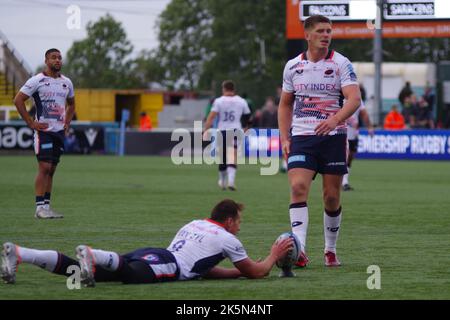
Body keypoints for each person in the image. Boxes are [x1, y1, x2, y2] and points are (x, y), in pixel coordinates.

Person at [1, 199, 293, 286]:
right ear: (229, 220)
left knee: (82, 272)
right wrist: (273, 254)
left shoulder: (194, 222)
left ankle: (21, 253)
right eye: (239, 221)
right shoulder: (228, 239)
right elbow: (256, 272)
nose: (240, 227)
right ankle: (94, 253)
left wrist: (233, 272)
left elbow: (201, 266)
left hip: (154, 253)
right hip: (168, 265)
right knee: (129, 276)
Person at [278, 15, 361, 268]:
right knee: (297, 188)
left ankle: (330, 249)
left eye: (329, 31)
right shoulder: (293, 66)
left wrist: (335, 120)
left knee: (331, 197)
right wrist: (284, 138)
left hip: (333, 138)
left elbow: (354, 99)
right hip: (302, 137)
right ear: (308, 35)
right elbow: (285, 104)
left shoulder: (341, 63)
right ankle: (300, 250)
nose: (326, 35)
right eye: (321, 31)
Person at [13, 48, 75, 219]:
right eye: (53, 58)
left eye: (59, 58)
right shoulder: (37, 81)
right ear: (46, 61)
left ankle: (46, 207)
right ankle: (39, 208)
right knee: (44, 167)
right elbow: (18, 100)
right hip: (43, 131)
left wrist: (67, 123)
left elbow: (72, 104)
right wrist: (30, 122)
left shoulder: (67, 83)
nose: (57, 60)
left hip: (59, 132)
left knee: (52, 169)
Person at [203, 80, 251, 191]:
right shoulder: (241, 101)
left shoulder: (219, 101)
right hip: (235, 130)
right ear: (234, 89)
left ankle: (222, 181)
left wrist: (206, 130)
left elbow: (211, 117)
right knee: (232, 156)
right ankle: (231, 181)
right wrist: (246, 128)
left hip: (222, 131)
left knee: (223, 157)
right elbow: (248, 116)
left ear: (224, 89)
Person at [342, 100, 374, 191]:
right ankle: (344, 182)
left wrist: (369, 127)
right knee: (343, 157)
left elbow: (364, 113)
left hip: (353, 133)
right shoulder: (339, 97)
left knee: (350, 156)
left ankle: (344, 181)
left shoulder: (357, 99)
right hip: (340, 132)